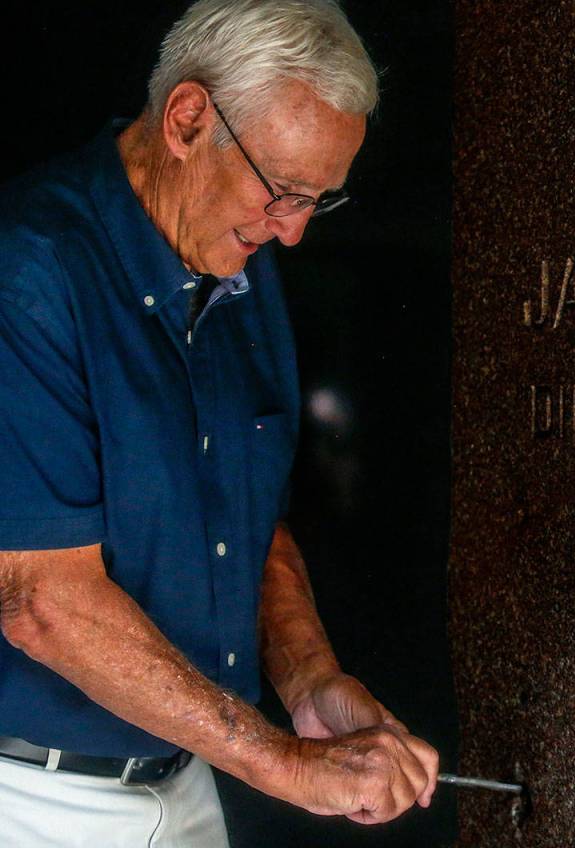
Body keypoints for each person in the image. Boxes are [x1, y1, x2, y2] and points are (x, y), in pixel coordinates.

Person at [0, 0, 439, 844]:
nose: (295, 232)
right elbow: (43, 601)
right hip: (30, 797)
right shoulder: (29, 269)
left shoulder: (241, 270)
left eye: (320, 201)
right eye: (282, 190)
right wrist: (283, 765)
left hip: (186, 781)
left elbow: (250, 522)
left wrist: (311, 684)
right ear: (188, 118)